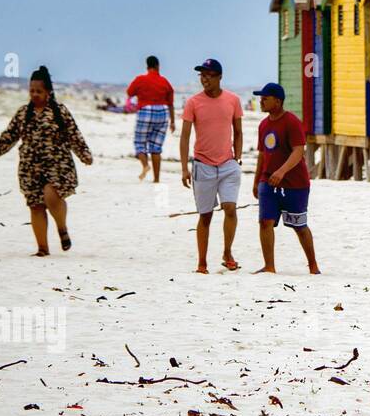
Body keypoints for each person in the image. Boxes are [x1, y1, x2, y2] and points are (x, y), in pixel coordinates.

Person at [0, 66, 93, 255]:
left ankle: (62, 228)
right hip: (29, 167)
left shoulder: (59, 112)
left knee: (51, 195)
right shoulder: (24, 113)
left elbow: (74, 135)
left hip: (58, 165)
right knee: (35, 205)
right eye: (32, 91)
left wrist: (85, 155)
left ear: (48, 92)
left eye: (39, 91)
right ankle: (42, 249)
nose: (35, 94)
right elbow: (8, 137)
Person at [179, 58, 243, 274]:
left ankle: (227, 252)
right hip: (202, 165)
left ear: (219, 77)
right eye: (201, 75)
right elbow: (185, 136)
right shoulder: (193, 102)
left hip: (228, 164)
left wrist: (238, 156)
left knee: (230, 209)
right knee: (205, 216)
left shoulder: (232, 100)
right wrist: (184, 168)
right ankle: (202, 262)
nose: (204, 79)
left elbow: (238, 130)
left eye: (208, 75)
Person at [251, 82, 320, 275]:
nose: (261, 101)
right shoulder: (263, 125)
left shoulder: (291, 122)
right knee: (265, 222)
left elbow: (299, 151)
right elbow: (262, 154)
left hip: (295, 184)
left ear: (278, 101)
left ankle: (313, 265)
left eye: (265, 97)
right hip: (268, 182)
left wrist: (281, 172)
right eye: (260, 97)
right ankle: (269, 266)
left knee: (299, 226)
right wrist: (256, 181)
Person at [126, 55, 175, 183]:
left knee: (140, 143)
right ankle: (156, 179)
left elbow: (129, 92)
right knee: (156, 147)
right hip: (163, 113)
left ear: (147, 66)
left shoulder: (140, 79)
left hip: (146, 111)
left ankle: (145, 165)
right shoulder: (164, 81)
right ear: (158, 66)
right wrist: (173, 121)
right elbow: (170, 103)